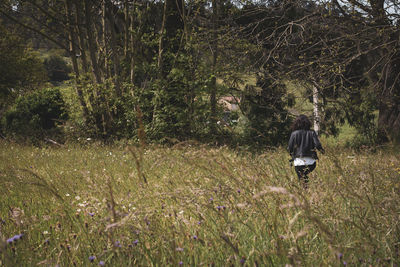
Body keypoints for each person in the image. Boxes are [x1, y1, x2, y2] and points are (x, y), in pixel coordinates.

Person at [288, 114, 324, 188]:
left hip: (298, 162)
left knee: (302, 179)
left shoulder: (294, 134)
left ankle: (305, 192)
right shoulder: (312, 132)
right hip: (311, 162)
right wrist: (322, 151)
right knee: (305, 176)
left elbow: (289, 148)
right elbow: (317, 145)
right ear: (308, 123)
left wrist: (292, 155)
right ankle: (308, 190)